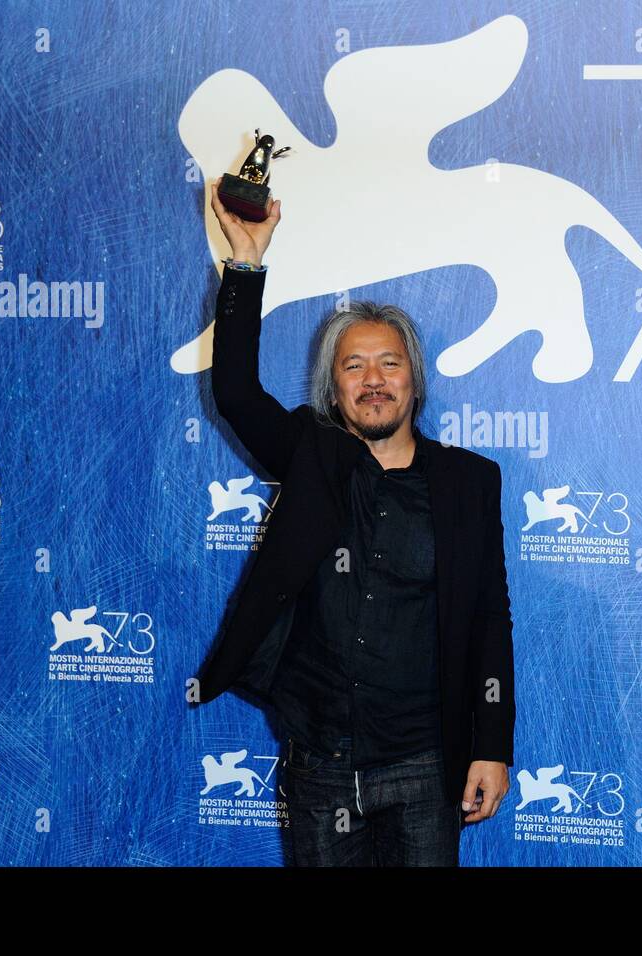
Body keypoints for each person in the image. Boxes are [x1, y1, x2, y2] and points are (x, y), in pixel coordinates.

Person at [196, 179, 515, 866]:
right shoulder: (312, 457)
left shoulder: (469, 483)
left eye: (389, 363)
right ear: (333, 388)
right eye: (354, 366)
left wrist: (491, 745)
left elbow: (490, 618)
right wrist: (247, 263)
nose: (373, 379)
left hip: (427, 765)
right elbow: (234, 392)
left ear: (414, 380)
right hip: (322, 764)